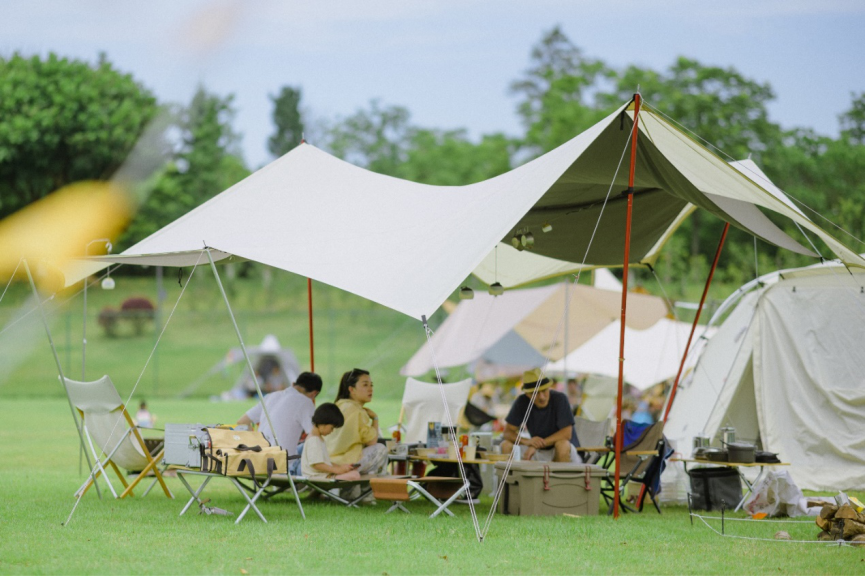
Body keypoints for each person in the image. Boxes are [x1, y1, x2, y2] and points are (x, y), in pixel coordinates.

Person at [237, 371, 322, 475]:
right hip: (283, 466)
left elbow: (242, 422)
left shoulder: (270, 396)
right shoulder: (305, 402)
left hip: (257, 461)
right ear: (314, 394)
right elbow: (315, 434)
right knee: (316, 447)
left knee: (301, 447)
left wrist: (255, 443)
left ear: (293, 384)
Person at [502, 368, 581, 463]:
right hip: (536, 450)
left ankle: (560, 478)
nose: (542, 397)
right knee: (505, 445)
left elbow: (566, 434)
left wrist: (536, 445)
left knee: (562, 445)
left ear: (549, 388)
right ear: (527, 394)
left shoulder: (560, 399)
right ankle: (510, 478)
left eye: (544, 390)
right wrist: (527, 441)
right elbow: (507, 432)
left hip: (564, 452)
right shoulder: (522, 401)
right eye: (535, 393)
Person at [326, 369, 387, 475]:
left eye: (371, 385)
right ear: (351, 389)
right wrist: (375, 419)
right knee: (380, 449)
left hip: (329, 461)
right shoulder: (357, 411)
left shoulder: (338, 406)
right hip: (346, 462)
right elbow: (372, 442)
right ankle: (374, 488)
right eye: (365, 385)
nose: (370, 389)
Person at [301, 403, 361, 481]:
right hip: (317, 477)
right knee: (355, 475)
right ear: (323, 423)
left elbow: (324, 462)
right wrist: (337, 470)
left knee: (353, 473)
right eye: (332, 428)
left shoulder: (318, 438)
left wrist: (342, 467)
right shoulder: (314, 440)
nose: (332, 431)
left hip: (322, 476)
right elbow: (317, 465)